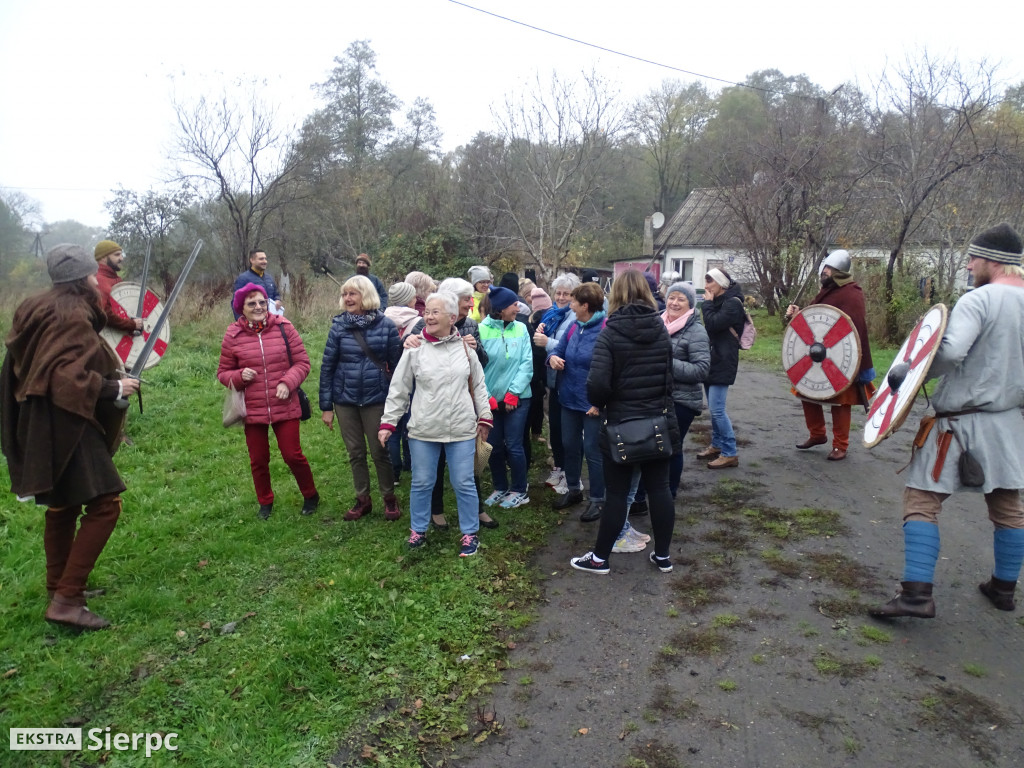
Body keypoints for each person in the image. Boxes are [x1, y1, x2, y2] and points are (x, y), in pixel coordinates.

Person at [871, 223, 1024, 618]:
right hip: (1008, 424)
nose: (969, 265)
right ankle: (1004, 588)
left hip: (959, 423)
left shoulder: (980, 300)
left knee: (921, 499)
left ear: (994, 260)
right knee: (1007, 504)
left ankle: (917, 595)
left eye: (974, 258)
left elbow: (951, 352)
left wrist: (909, 373)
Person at [1, 244, 141, 630]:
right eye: (93, 274)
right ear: (82, 278)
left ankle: (57, 586)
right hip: (67, 421)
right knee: (105, 504)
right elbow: (66, 376)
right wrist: (114, 389)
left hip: (38, 420)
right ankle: (67, 599)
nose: (98, 279)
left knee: (62, 504)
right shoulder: (73, 314)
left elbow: (40, 368)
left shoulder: (36, 306)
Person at [570, 269, 680, 575]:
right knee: (659, 489)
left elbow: (597, 386)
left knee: (617, 493)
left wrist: (603, 404)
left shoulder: (611, 333)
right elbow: (669, 379)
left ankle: (601, 558)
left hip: (621, 423)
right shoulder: (661, 330)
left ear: (614, 295)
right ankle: (663, 556)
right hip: (658, 421)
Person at [379, 292, 493, 556]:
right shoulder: (415, 348)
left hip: (462, 429)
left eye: (435, 312)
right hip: (424, 429)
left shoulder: (466, 347)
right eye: (426, 312)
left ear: (452, 317)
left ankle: (469, 534)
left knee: (464, 482)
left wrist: (485, 416)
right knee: (421, 482)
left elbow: (479, 385)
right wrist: (388, 423)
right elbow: (399, 388)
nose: (428, 316)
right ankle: (418, 530)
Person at [218, 283, 319, 521]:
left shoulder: (284, 327)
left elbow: (303, 363)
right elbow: (223, 372)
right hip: (252, 408)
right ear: (241, 308)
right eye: (252, 303)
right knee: (259, 459)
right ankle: (265, 501)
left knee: (292, 455)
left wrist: (287, 382)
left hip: (284, 403)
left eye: (262, 302)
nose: (259, 307)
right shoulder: (233, 335)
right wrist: (238, 376)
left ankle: (310, 495)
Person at [405, 276, 495, 530]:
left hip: (460, 408)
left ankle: (476, 513)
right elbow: (410, 352)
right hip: (431, 408)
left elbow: (481, 365)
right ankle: (436, 512)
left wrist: (475, 348)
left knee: (466, 470)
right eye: (466, 298)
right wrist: (407, 341)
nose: (471, 302)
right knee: (430, 469)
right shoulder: (425, 324)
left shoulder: (472, 325)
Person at [319, 275, 403, 521]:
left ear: (366, 296)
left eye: (352, 294)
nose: (347, 299)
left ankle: (389, 498)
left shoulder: (386, 325)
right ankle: (362, 499)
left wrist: (396, 400)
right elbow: (327, 367)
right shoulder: (338, 326)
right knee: (355, 452)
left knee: (380, 451)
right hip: (345, 399)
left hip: (376, 397)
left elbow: (397, 366)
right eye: (345, 294)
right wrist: (327, 406)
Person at [785, 250, 876, 461]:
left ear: (838, 272)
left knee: (841, 401)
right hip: (818, 353)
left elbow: (851, 329)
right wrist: (799, 315)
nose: (823, 272)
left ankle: (840, 445)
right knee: (805, 389)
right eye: (824, 268)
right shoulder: (828, 290)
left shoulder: (851, 294)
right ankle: (817, 434)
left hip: (840, 357)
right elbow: (817, 322)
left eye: (828, 268)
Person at [548, 281, 607, 522]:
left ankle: (598, 499)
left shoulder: (605, 329)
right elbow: (557, 351)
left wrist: (600, 403)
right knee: (570, 445)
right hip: (568, 398)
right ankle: (574, 489)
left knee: (593, 451)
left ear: (585, 305)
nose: (569, 305)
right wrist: (552, 359)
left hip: (593, 404)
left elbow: (610, 370)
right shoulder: (574, 326)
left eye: (573, 301)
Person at [479, 286, 534, 509]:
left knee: (514, 444)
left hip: (518, 399)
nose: (518, 307)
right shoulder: (481, 330)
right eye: (513, 304)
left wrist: (513, 393)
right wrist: (488, 397)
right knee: (493, 445)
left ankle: (520, 489)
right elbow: (477, 368)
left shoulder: (520, 328)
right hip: (490, 400)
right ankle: (500, 486)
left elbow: (527, 363)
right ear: (500, 309)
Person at [532, 272, 581, 494]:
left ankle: (573, 476)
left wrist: (547, 342)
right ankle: (560, 469)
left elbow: (572, 347)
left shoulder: (577, 316)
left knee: (569, 432)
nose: (561, 298)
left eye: (567, 294)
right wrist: (542, 331)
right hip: (553, 380)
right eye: (558, 293)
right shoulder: (553, 314)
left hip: (569, 381)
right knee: (556, 429)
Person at [663, 281, 711, 497]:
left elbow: (701, 370)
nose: (674, 302)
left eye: (681, 299)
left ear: (690, 305)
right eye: (672, 297)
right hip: (656, 397)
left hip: (682, 400)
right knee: (653, 448)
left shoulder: (696, 331)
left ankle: (669, 492)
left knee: (672, 448)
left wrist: (666, 363)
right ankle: (651, 491)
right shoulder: (657, 323)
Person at [699, 267, 745, 469]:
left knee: (717, 410)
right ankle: (717, 445)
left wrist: (707, 305)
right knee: (713, 407)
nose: (706, 286)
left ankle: (730, 452)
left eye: (710, 282)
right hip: (713, 358)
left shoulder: (733, 304)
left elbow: (713, 324)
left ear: (721, 284)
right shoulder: (721, 302)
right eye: (706, 281)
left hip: (724, 360)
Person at [93, 240, 144, 334]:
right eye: (117, 255)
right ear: (103, 258)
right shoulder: (100, 280)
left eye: (121, 254)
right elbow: (103, 312)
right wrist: (131, 324)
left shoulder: (114, 278)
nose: (121, 258)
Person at [232, 249, 282, 319]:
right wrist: (241, 322)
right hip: (253, 322)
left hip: (271, 321)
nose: (265, 261)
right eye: (261, 259)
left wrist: (278, 300)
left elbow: (276, 294)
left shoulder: (269, 278)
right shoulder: (243, 279)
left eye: (265, 259)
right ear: (252, 260)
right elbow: (236, 302)